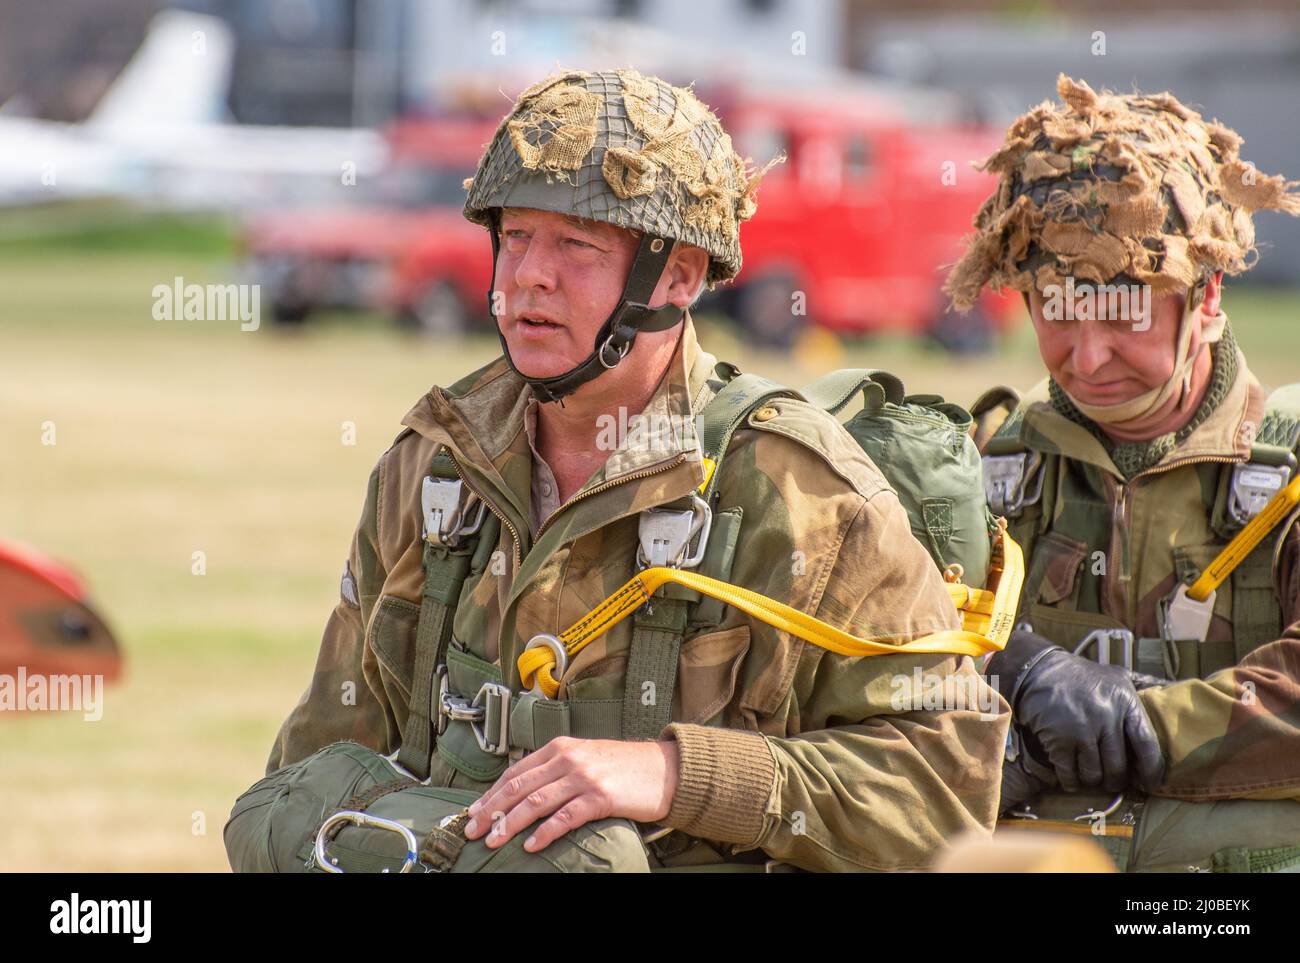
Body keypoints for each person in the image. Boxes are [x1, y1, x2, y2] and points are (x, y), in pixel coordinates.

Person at [228, 68, 1007, 873]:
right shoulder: (435, 464)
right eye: (516, 236)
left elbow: (943, 798)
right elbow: (321, 754)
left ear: (677, 276)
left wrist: (678, 775)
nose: (529, 274)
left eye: (577, 244)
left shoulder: (799, 492)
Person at [949, 75, 1300, 871]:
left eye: (1122, 317)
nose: (1087, 356)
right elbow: (889, 664)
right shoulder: (987, 464)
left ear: (1206, 298)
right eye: (1057, 313)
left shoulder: (1289, 470)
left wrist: (1138, 725)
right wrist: (1010, 672)